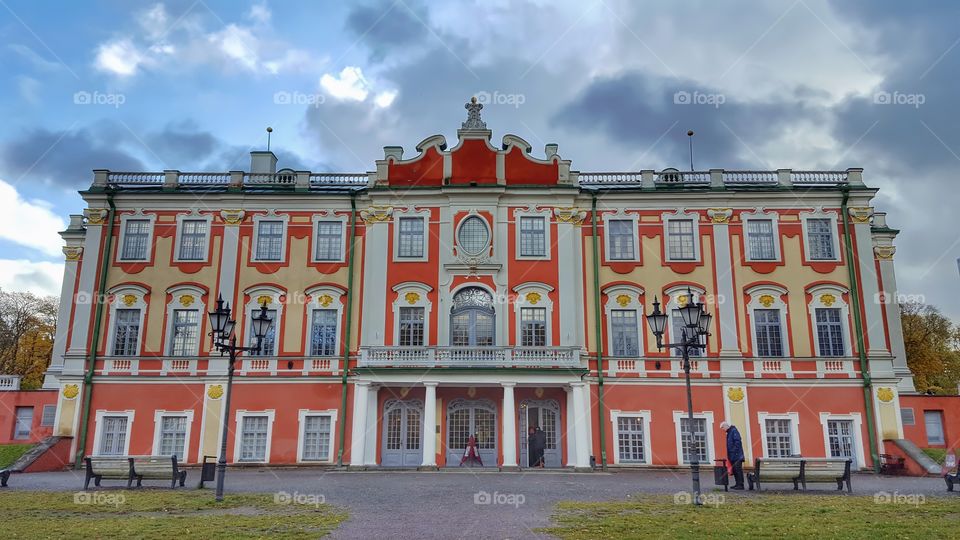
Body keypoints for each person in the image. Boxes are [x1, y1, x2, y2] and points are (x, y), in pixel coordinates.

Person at [720, 421, 745, 489]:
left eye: (722, 427)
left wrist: (733, 451)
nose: (723, 429)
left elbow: (738, 442)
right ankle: (737, 484)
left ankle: (741, 485)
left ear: (725, 426)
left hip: (737, 455)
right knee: (734, 470)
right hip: (733, 455)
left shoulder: (733, 431)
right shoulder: (730, 432)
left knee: (738, 470)